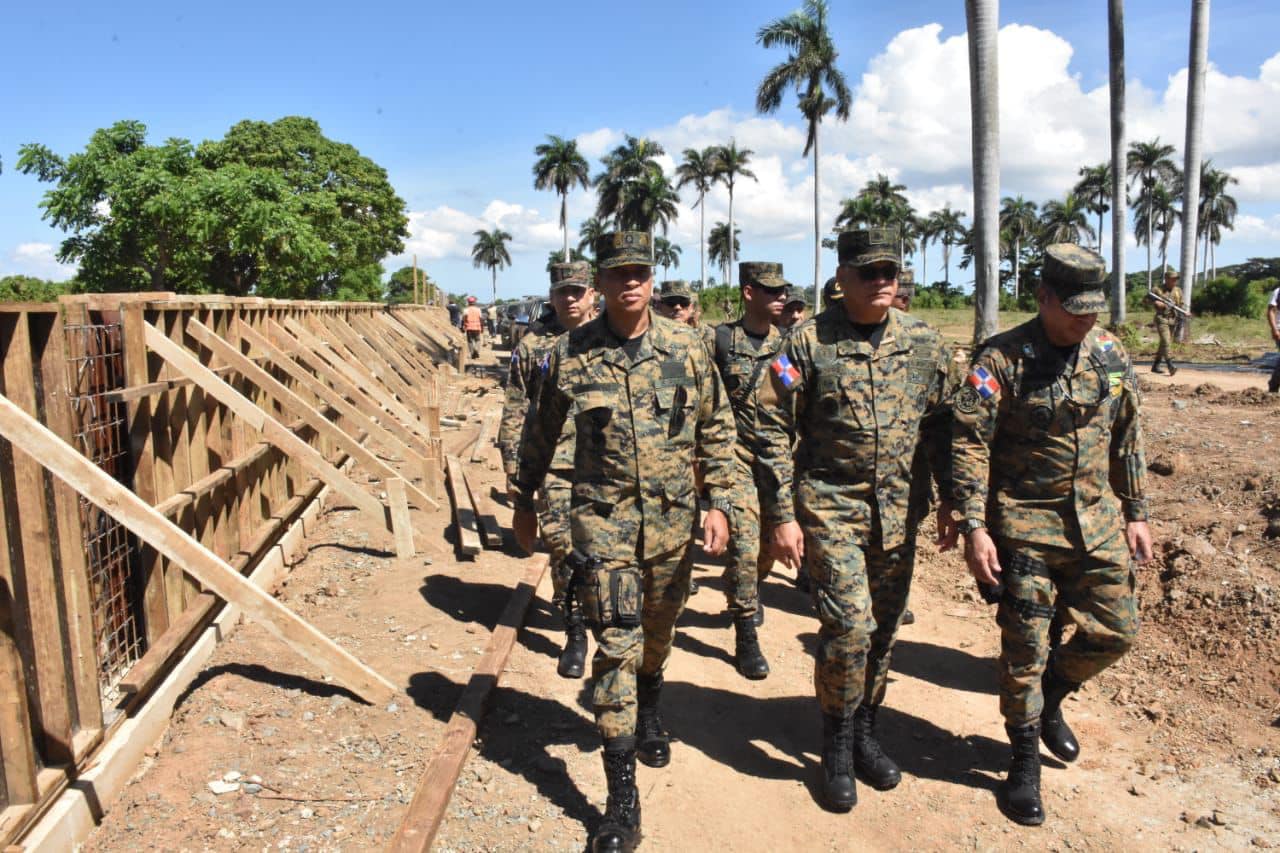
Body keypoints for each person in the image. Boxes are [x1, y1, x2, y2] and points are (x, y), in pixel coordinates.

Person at [512, 231, 738, 853]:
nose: (630, 283)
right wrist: (524, 502)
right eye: (617, 274)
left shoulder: (689, 347)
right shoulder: (570, 353)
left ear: (652, 277)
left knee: (657, 634)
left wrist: (719, 501)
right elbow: (539, 432)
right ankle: (620, 801)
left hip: (671, 526)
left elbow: (717, 428)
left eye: (639, 272)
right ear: (601, 284)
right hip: (601, 522)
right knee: (616, 646)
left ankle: (652, 712)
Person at [951, 243, 1152, 827]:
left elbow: (1128, 432)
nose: (1086, 318)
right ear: (1043, 297)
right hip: (1024, 529)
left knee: (1116, 633)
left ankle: (1054, 695)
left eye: (1093, 307)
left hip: (1096, 525)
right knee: (1024, 653)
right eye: (1073, 307)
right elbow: (967, 444)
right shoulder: (1001, 360)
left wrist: (1136, 509)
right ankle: (1021, 763)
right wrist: (973, 526)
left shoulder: (1109, 353)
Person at [758, 227, 956, 812]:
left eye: (889, 271)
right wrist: (780, 513)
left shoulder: (925, 344)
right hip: (830, 507)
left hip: (900, 512)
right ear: (841, 278)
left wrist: (955, 503)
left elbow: (947, 425)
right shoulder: (804, 344)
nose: (881, 282)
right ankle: (837, 746)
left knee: (885, 629)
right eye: (868, 272)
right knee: (849, 628)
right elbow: (770, 427)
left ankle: (867, 729)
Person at [499, 261, 597, 678]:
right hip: (555, 463)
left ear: (593, 293)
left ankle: (612, 626)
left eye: (578, 290)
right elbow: (516, 409)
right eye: (563, 292)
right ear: (552, 295)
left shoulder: (614, 337)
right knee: (562, 550)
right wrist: (516, 476)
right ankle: (574, 632)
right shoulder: (533, 346)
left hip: (610, 464)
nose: (570, 299)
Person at [710, 261, 792, 680]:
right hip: (733, 457)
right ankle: (745, 631)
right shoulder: (721, 340)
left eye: (782, 291)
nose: (780, 298)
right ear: (748, 293)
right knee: (744, 543)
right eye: (770, 291)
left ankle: (750, 586)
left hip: (777, 460)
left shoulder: (791, 346)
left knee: (765, 548)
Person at [1148, 270, 1181, 375]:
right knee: (1166, 342)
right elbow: (1146, 300)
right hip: (1161, 318)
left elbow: (1181, 304)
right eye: (1172, 279)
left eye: (1176, 279)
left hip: (1172, 319)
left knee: (1163, 344)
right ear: (1166, 279)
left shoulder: (1178, 291)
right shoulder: (1157, 290)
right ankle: (1170, 365)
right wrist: (1156, 302)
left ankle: (1155, 366)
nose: (1174, 281)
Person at [1267, 283, 1280, 393]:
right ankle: (1274, 384)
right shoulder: (1278, 292)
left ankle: (1274, 383)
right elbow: (1270, 311)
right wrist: (1274, 329)